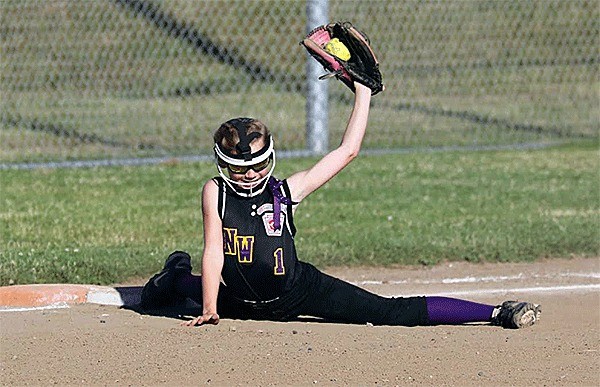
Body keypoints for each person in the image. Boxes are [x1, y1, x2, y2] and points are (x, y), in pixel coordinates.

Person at [140, 82, 541, 329]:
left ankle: (495, 313)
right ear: (221, 164)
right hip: (238, 302)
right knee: (177, 288)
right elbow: (213, 252)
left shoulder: (285, 191)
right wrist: (211, 307)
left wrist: (362, 93)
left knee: (387, 313)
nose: (248, 174)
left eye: (257, 164)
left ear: (271, 158)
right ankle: (174, 272)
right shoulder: (216, 192)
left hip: (297, 293)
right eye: (237, 167)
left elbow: (347, 151)